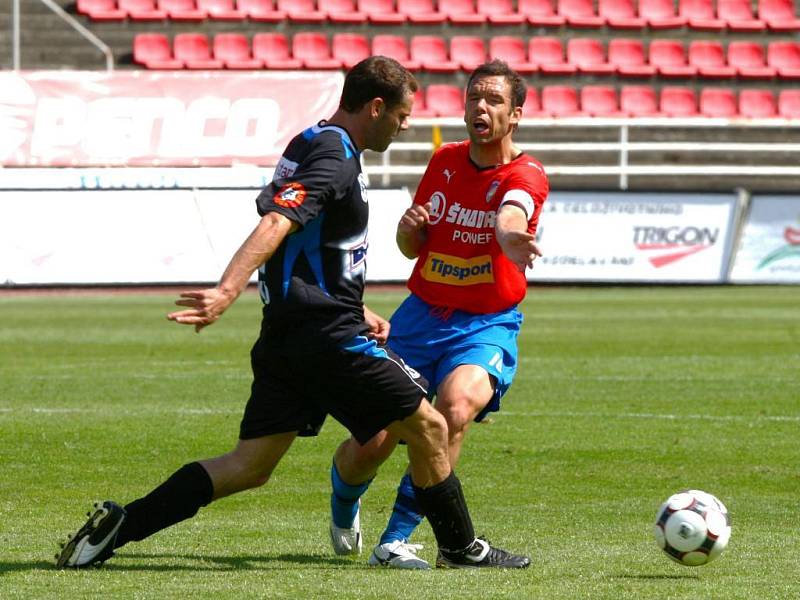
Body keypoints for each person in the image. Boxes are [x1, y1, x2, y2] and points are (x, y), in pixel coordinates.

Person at [55, 56, 529, 571]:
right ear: (375, 107)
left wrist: (352, 301)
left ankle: (122, 524)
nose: (406, 123)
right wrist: (226, 290)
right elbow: (278, 222)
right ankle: (460, 549)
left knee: (249, 466)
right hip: (329, 339)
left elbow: (303, 240)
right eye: (401, 114)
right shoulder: (336, 157)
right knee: (433, 427)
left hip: (287, 335)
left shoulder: (308, 140)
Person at [328, 60, 549, 569]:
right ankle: (344, 503)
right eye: (474, 98)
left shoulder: (526, 173)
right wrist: (409, 228)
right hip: (421, 318)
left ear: (514, 115)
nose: (480, 107)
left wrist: (510, 233)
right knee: (374, 443)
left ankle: (397, 539)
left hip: (485, 323)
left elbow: (513, 208)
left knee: (454, 409)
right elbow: (411, 247)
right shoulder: (444, 161)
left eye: (494, 100)